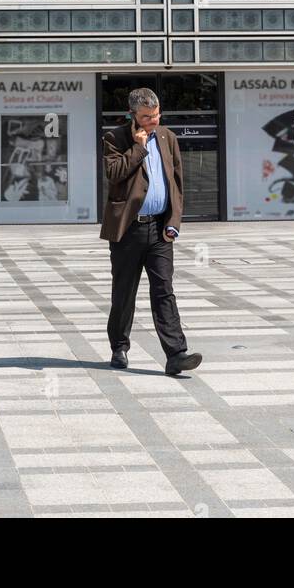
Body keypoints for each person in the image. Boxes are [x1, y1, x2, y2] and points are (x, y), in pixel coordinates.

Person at [101, 87, 203, 377]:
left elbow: (177, 183)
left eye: (156, 115)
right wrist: (138, 147)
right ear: (132, 114)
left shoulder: (168, 137)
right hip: (128, 230)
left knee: (164, 292)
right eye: (146, 117)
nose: (153, 121)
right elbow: (114, 173)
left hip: (160, 230)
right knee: (124, 293)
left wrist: (174, 223)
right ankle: (119, 346)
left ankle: (176, 354)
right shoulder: (115, 138)